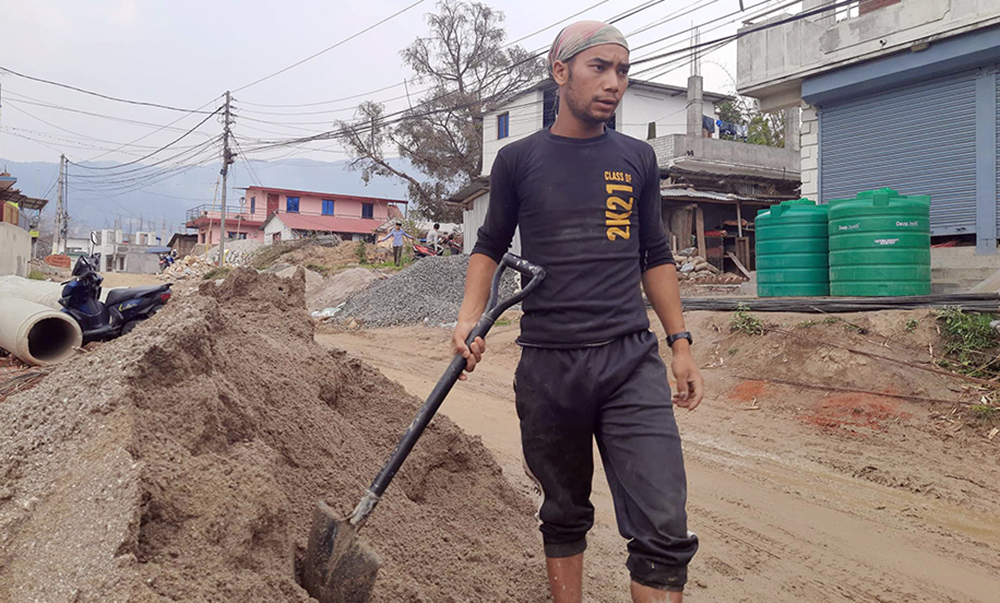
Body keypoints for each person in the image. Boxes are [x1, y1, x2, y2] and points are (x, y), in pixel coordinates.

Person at [452, 21, 704, 603]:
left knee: (664, 525)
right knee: (563, 512)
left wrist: (680, 343)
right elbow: (489, 244)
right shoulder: (518, 160)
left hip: (628, 362)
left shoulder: (637, 159)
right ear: (560, 73)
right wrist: (467, 317)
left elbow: (655, 254)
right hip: (548, 366)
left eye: (623, 70)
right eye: (600, 68)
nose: (614, 82)